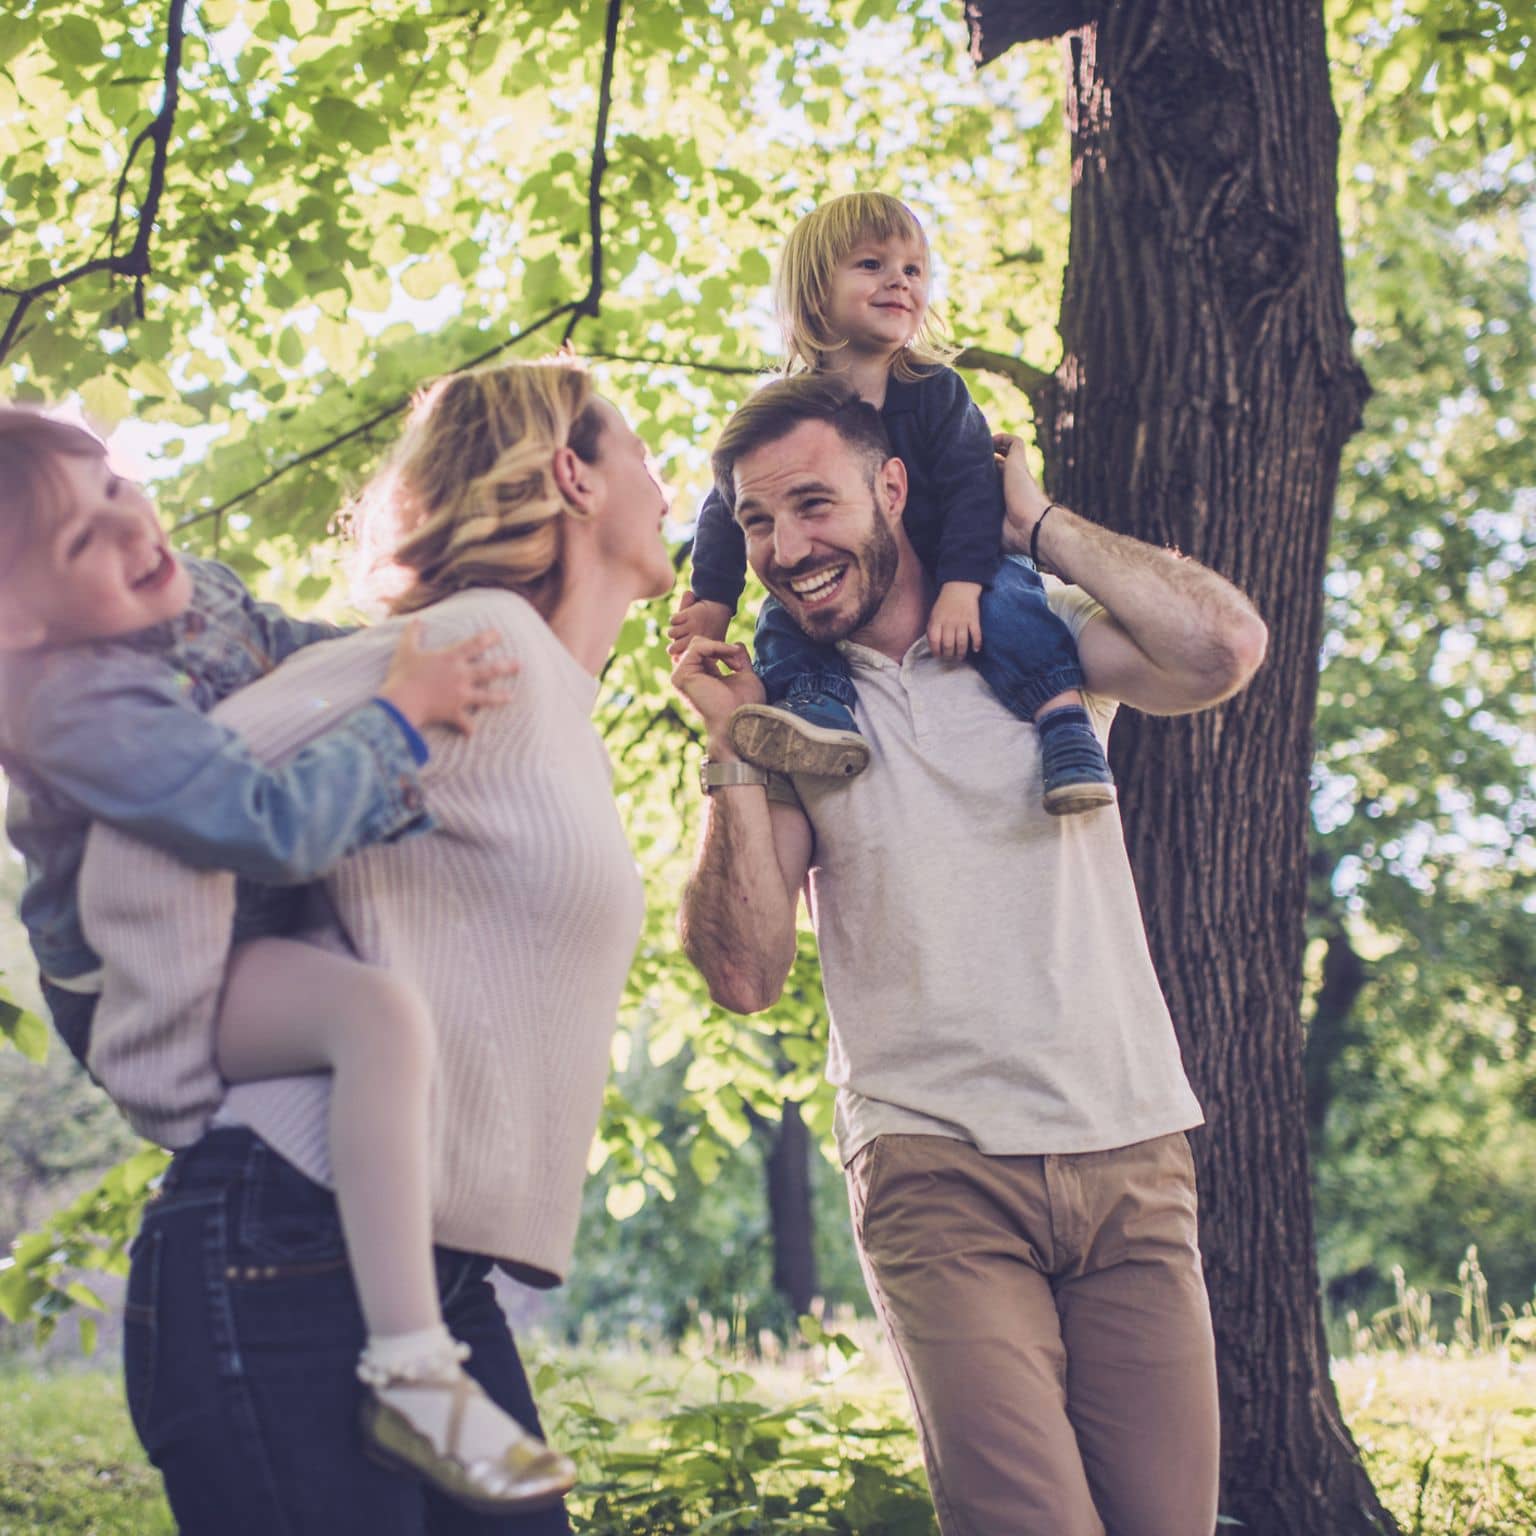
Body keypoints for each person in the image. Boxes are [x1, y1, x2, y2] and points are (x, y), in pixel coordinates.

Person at [74, 360, 675, 1535]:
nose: (667, 481)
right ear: (573, 475)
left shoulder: (548, 697)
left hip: (423, 1280)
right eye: (642, 451)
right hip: (281, 1244)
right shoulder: (475, 646)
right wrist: (179, 1043)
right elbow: (155, 822)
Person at [670, 375, 1269, 1536]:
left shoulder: (1029, 634)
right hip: (936, 1168)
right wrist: (733, 748)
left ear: (893, 486)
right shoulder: (802, 717)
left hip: (1130, 1153)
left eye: (812, 505)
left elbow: (1222, 648)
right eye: (756, 523)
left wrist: (1034, 524)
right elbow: (743, 973)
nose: (786, 548)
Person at [669, 191, 1114, 815]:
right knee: (782, 624)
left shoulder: (934, 391)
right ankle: (817, 713)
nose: (899, 282)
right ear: (816, 289)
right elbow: (727, 507)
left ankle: (1062, 722)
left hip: (961, 558)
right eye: (872, 265)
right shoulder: (784, 411)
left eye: (913, 271)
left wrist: (960, 585)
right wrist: (715, 600)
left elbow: (970, 488)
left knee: (1014, 600)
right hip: (849, 580)